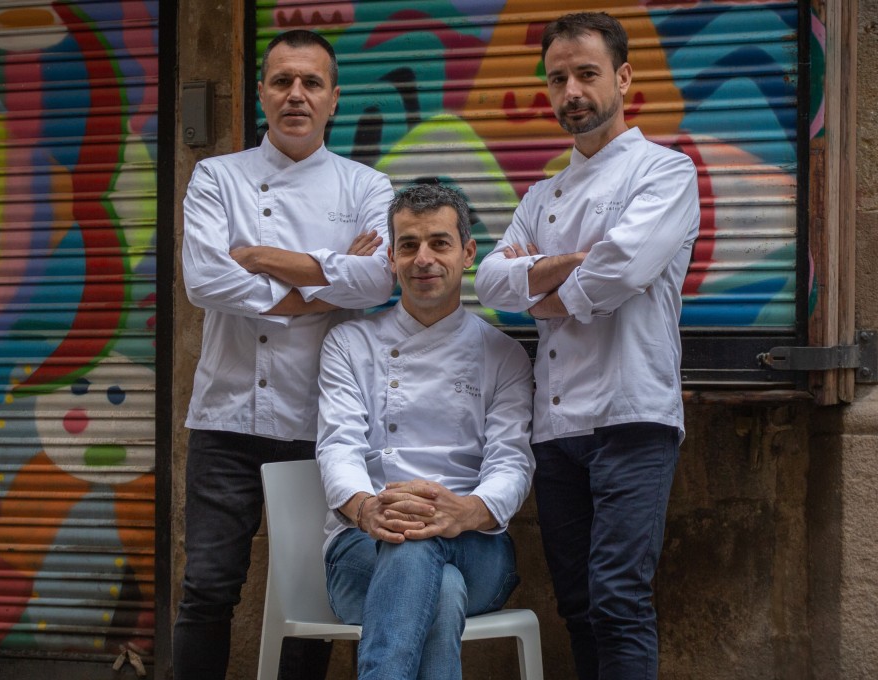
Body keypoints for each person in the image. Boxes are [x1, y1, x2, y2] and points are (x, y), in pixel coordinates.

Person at [474, 12, 700, 680]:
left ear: (623, 78)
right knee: (576, 604)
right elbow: (490, 280)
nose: (571, 91)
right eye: (557, 78)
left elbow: (623, 267)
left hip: (633, 416)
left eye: (586, 74)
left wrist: (541, 288)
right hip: (555, 430)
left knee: (619, 600)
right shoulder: (541, 194)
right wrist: (573, 263)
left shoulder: (666, 173)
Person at [176, 29, 395, 680]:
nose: (296, 94)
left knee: (313, 593)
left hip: (322, 422)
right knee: (208, 586)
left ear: (334, 99)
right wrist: (321, 286)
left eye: (311, 83)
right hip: (226, 417)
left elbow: (377, 281)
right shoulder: (218, 177)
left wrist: (258, 256)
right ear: (262, 94)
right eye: (282, 81)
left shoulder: (366, 186)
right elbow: (204, 281)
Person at [316, 184, 535, 680]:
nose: (423, 259)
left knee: (416, 546)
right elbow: (338, 446)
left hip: (477, 545)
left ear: (468, 253)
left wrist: (466, 511)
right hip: (362, 545)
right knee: (436, 578)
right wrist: (366, 508)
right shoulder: (349, 344)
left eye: (439, 243)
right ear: (392, 258)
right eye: (409, 245)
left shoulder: (503, 354)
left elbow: (512, 461)